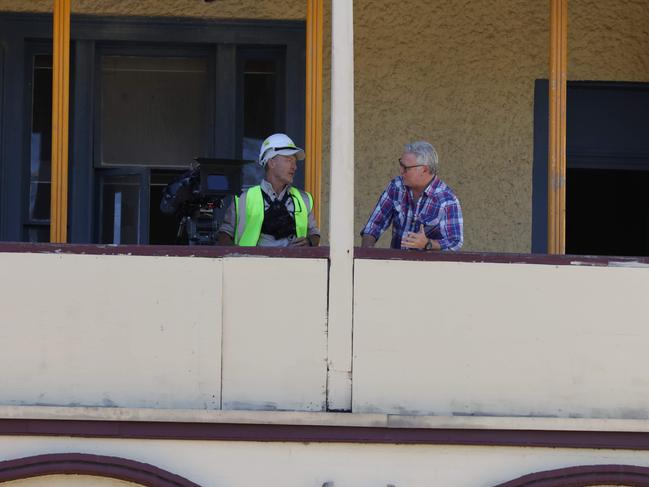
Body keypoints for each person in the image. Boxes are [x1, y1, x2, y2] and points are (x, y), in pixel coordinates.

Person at [217, 133, 320, 247]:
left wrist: (310, 242)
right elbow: (224, 234)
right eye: (288, 160)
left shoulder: (304, 199)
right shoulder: (243, 198)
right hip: (253, 263)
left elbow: (314, 234)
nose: (294, 167)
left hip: (292, 264)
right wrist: (236, 256)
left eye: (294, 162)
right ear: (271, 162)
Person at [360, 140, 463, 251]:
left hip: (428, 266)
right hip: (396, 263)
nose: (401, 171)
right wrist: (366, 253)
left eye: (406, 168)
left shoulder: (447, 200)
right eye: (401, 164)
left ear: (424, 169)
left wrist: (428, 244)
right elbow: (374, 225)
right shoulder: (397, 187)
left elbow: (455, 242)